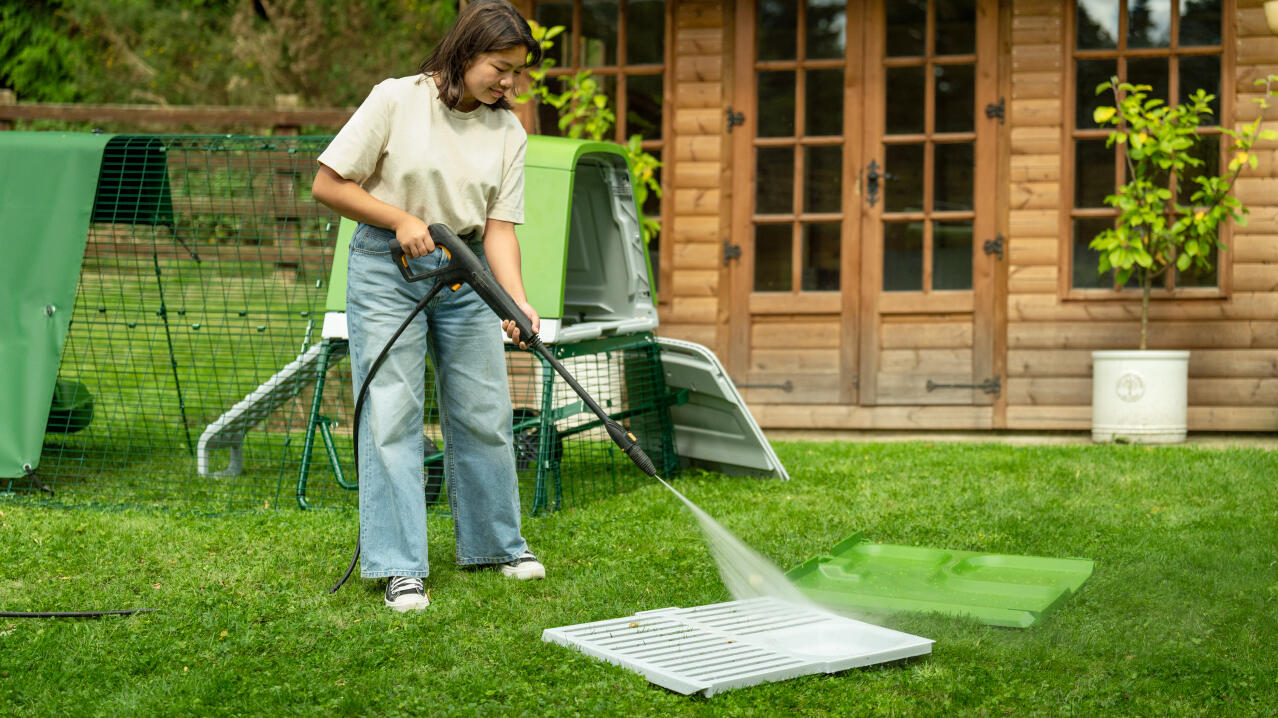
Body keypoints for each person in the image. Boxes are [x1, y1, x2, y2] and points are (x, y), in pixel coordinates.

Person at [311, 0, 545, 612]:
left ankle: (497, 545)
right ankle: (399, 566)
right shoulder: (395, 100)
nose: (509, 83)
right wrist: (401, 219)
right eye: (501, 66)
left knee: (484, 409)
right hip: (388, 267)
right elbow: (329, 183)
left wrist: (515, 300)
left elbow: (499, 229)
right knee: (391, 413)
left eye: (518, 72)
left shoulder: (508, 132)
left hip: (464, 269)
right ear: (466, 53)